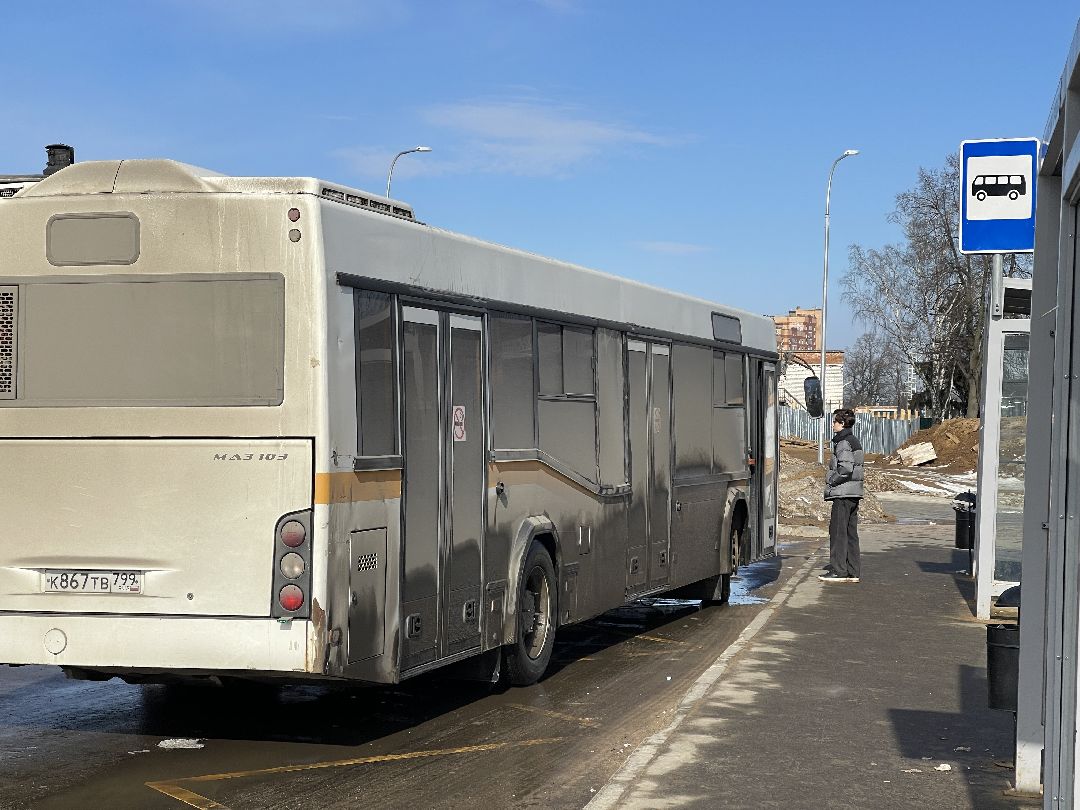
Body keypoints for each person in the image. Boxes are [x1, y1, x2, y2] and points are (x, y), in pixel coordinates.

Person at [819, 408, 864, 583]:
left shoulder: (843, 442)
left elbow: (845, 468)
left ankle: (839, 571)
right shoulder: (853, 440)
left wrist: (831, 480)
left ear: (842, 423)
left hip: (843, 493)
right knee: (851, 533)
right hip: (854, 493)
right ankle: (853, 570)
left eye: (835, 421)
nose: (832, 424)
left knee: (838, 532)